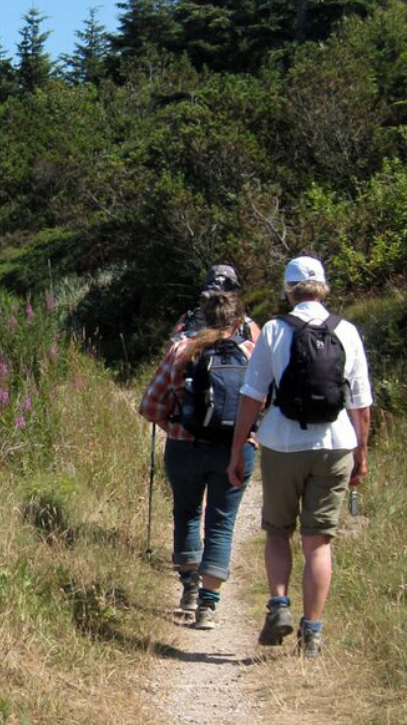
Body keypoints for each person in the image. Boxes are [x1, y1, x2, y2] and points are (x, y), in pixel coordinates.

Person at [227, 256, 371, 658]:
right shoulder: (347, 331)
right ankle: (313, 634)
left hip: (282, 443)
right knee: (318, 543)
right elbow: (361, 404)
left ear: (288, 290)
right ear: (323, 287)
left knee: (278, 531)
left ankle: (279, 605)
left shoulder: (274, 330)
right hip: (336, 444)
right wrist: (361, 452)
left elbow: (252, 396)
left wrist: (238, 448)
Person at [141, 291, 257, 629]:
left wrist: (175, 427)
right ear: (238, 321)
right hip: (234, 449)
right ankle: (208, 604)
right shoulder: (251, 352)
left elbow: (150, 406)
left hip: (185, 447)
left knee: (187, 513)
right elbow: (267, 402)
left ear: (203, 318)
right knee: (221, 522)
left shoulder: (181, 350)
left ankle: (190, 590)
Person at [172, 265, 260, 342]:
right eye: (212, 300)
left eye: (220, 301)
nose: (214, 307)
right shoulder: (188, 319)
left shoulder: (246, 326)